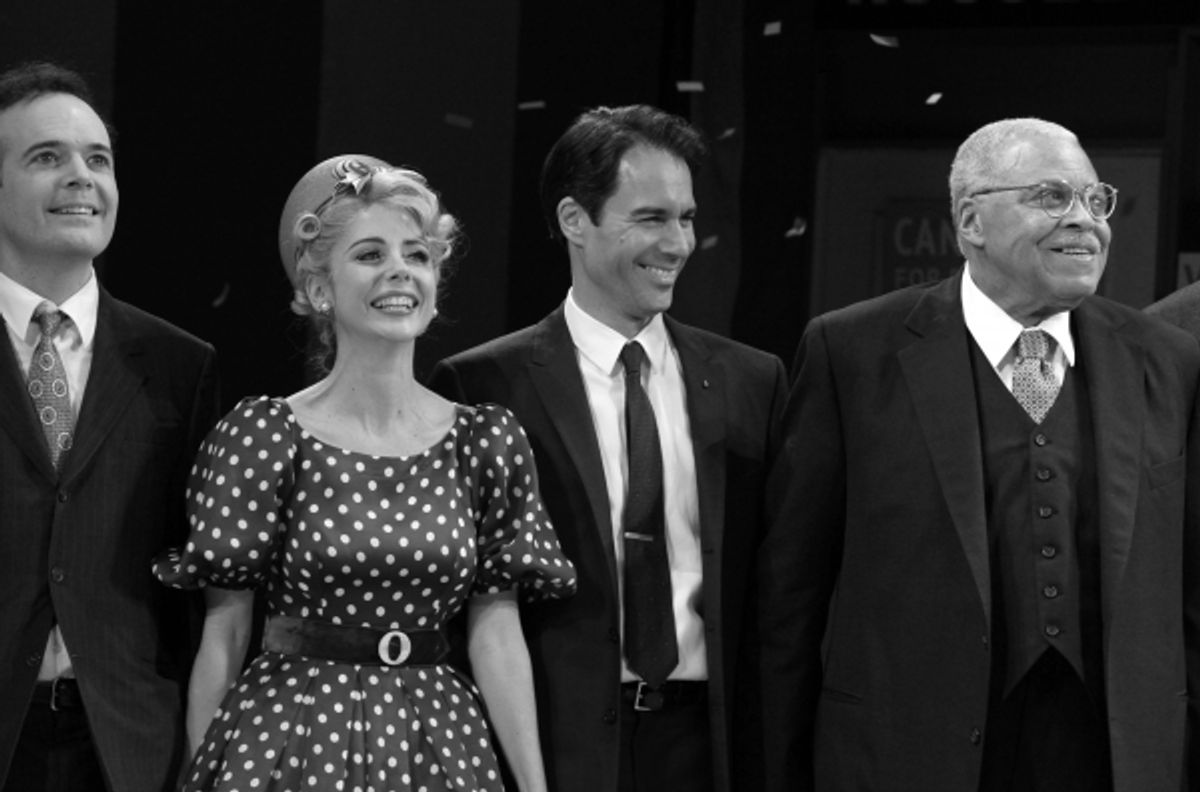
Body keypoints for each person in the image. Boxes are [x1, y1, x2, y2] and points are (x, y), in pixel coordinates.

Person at [759, 117, 1200, 792]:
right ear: (971, 222)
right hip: (910, 754)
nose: (1084, 221)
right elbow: (790, 599)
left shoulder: (1168, 361)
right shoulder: (851, 353)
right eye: (1052, 197)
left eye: (1095, 200)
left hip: (1112, 758)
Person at [155, 155, 575, 792]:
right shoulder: (265, 436)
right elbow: (226, 628)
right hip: (292, 735)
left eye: (417, 254)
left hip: (439, 738)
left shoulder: (485, 441)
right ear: (320, 289)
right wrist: (201, 770)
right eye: (371, 254)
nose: (400, 271)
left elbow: (497, 631)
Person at [429, 104, 787, 792]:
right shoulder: (482, 385)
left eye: (685, 218)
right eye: (651, 218)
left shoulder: (753, 380)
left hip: (710, 747)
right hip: (554, 745)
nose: (678, 243)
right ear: (574, 221)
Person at [0, 61, 220, 792]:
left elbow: (194, 583)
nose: (80, 177)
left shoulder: (179, 366)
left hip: (126, 747)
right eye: (46, 158)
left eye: (98, 160)